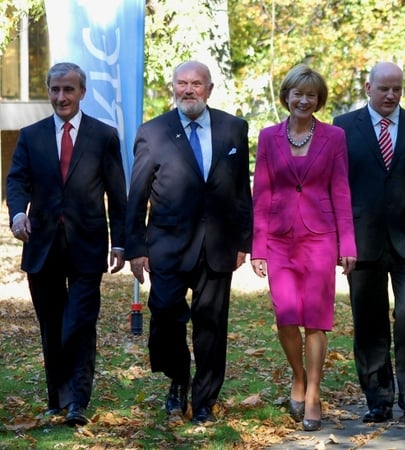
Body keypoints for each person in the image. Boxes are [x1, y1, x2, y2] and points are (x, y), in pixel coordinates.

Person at [125, 60, 253, 425]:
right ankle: (177, 380)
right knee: (165, 315)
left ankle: (204, 400)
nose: (189, 90)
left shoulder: (233, 128)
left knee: (211, 325)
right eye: (182, 83)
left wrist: (245, 240)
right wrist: (135, 247)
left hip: (218, 245)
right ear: (173, 87)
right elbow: (137, 194)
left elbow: (241, 190)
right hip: (167, 244)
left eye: (197, 83)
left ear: (209, 89)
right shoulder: (153, 132)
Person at [5, 62, 127, 427]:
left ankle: (77, 401)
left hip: (87, 246)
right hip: (41, 245)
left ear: (82, 92)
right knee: (52, 325)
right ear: (48, 91)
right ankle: (57, 399)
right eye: (55, 90)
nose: (61, 97)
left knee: (79, 323)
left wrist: (120, 243)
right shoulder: (31, 136)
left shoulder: (104, 136)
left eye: (68, 89)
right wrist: (18, 214)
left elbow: (116, 194)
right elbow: (17, 182)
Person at [332, 62, 405, 425]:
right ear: (368, 88)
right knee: (368, 321)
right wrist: (340, 239)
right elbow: (337, 187)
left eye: (396, 89)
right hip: (362, 241)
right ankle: (378, 399)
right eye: (383, 88)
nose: (390, 95)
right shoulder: (343, 126)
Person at [250, 64, 356, 432]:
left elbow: (341, 190)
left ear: (319, 99)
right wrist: (258, 248)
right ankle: (298, 375)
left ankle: (312, 392)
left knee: (315, 317)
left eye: (311, 95)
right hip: (279, 239)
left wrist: (348, 243)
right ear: (287, 96)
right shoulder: (268, 137)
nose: (304, 100)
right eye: (298, 93)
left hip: (320, 238)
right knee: (286, 315)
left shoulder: (334, 137)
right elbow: (261, 194)